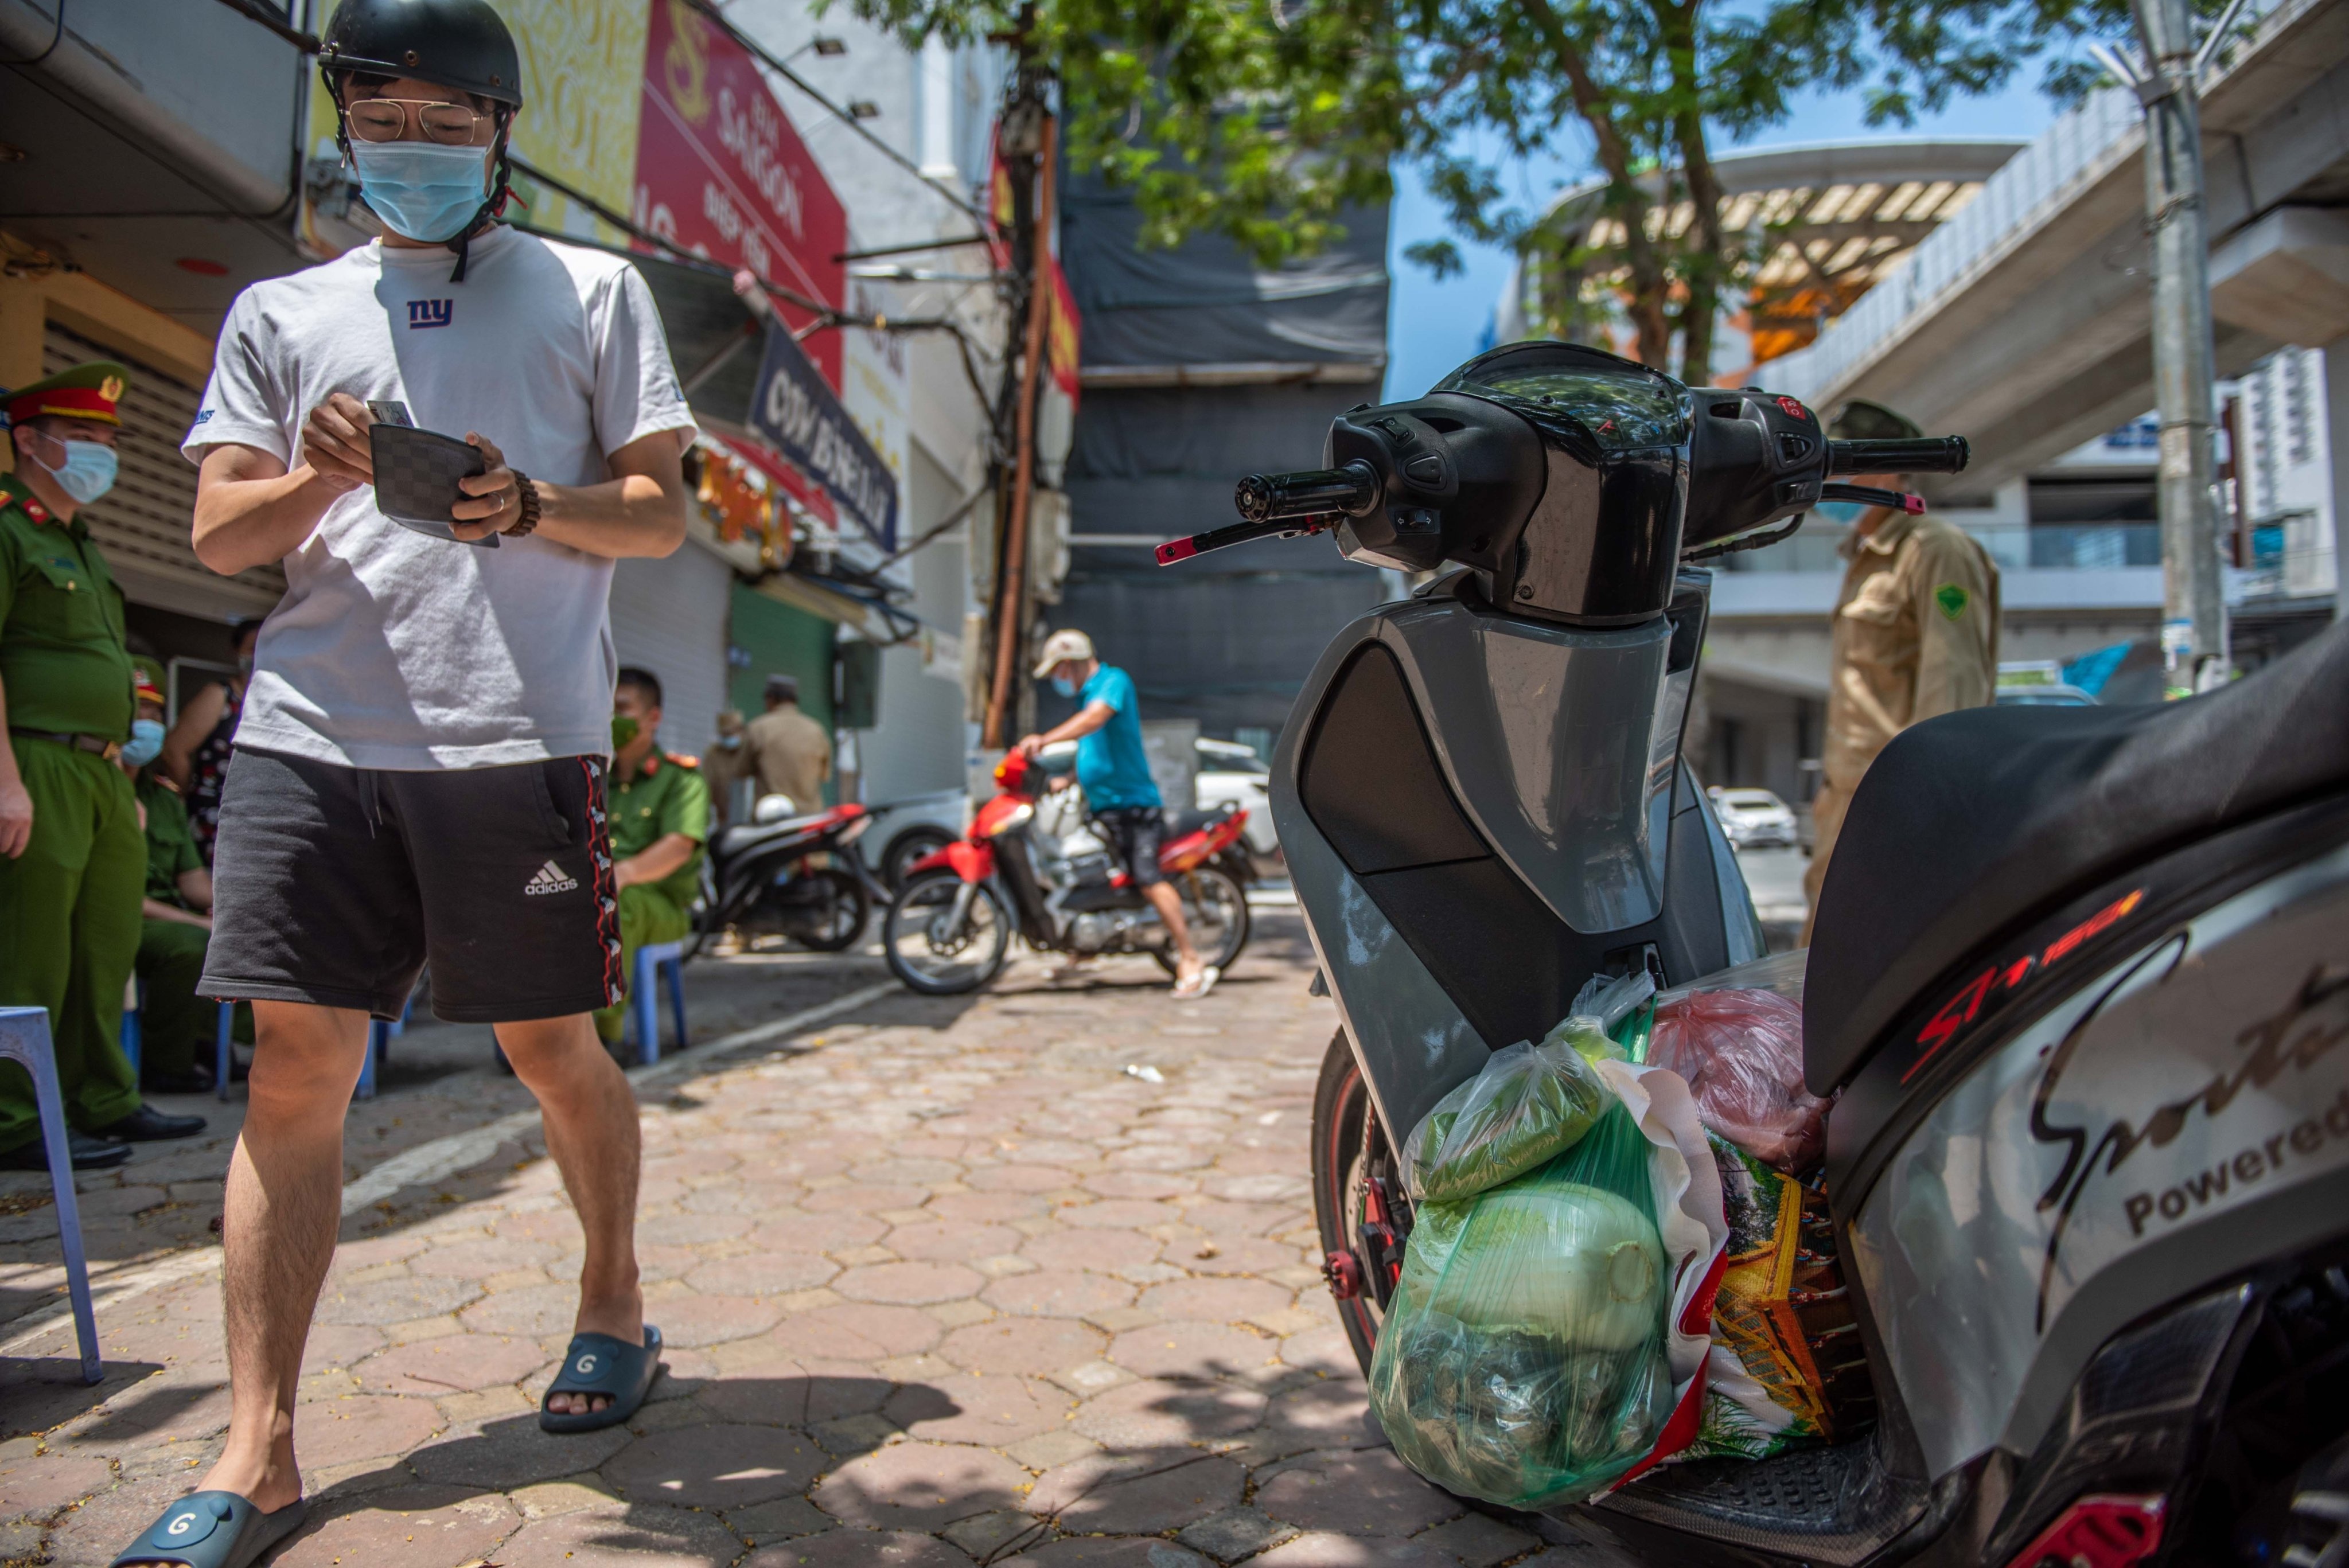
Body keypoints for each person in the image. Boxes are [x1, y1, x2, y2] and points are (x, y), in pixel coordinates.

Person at [111, 1, 700, 1558]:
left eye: (451, 127)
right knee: (292, 1070)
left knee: (548, 1044)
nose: (418, 153)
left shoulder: (593, 289)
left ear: (502, 136)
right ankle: (260, 1445)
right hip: (313, 738)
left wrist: (531, 503)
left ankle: (614, 1301)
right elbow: (228, 535)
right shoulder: (282, 311)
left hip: (516, 740)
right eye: (389, 123)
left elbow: (656, 517)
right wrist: (325, 464)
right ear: (347, 127)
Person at [0, 361, 208, 1175]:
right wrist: (6, 779)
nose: (101, 452)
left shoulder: (82, 545)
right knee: (32, 947)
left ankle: (100, 1097)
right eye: (83, 436)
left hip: (99, 773)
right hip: (35, 762)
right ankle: (15, 1115)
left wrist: (121, 774)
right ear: (28, 440)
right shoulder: (9, 527)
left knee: (104, 942)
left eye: (108, 440)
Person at [1801, 400, 2000, 941]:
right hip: (1849, 798)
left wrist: (1926, 810)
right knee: (1828, 956)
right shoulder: (1866, 555)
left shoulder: (1935, 551)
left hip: (1894, 804)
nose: (1830, 478)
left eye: (1842, 464)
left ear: (1887, 469)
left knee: (1880, 955)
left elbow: (1952, 688)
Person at [1018, 628, 1216, 1000]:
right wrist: (1069, 778)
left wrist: (1043, 741)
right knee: (1089, 874)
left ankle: (1189, 958)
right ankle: (1083, 947)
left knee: (1147, 878)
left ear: (1071, 662)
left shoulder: (1111, 682)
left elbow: (1095, 721)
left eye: (1058, 671)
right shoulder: (1086, 697)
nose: (1057, 680)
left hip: (1133, 807)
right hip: (1103, 808)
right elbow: (1095, 748)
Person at [126, 667, 229, 1095]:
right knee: (192, 946)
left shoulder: (163, 797)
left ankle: (207, 1046)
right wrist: (199, 924)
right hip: (131, 917)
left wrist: (232, 910)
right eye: (139, 709)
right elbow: (122, 898)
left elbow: (191, 880)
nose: (147, 721)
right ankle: (165, 1063)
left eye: (154, 711)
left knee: (241, 936)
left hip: (167, 913)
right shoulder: (99, 791)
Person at [594, 668, 710, 1046]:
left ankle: (602, 1034)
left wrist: (622, 874)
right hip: (596, 892)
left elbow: (679, 845)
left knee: (616, 902)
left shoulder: (681, 779)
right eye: (605, 707)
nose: (612, 718)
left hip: (659, 903)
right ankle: (530, 1026)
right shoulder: (593, 778)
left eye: (622, 708)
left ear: (653, 717)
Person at [162, 614, 264, 864]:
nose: (260, 655)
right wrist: (193, 795)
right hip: (215, 817)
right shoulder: (220, 695)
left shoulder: (273, 705)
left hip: (255, 820)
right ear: (236, 651)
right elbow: (174, 750)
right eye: (253, 648)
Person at [744, 672, 829, 812]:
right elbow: (824, 775)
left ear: (771, 699)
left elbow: (741, 770)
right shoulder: (817, 730)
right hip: (811, 819)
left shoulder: (758, 728)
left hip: (773, 820)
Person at [702, 707, 751, 828]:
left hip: (750, 821)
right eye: (725, 734)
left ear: (741, 730)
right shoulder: (713, 754)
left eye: (731, 733)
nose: (729, 737)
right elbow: (706, 786)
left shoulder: (749, 751)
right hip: (723, 819)